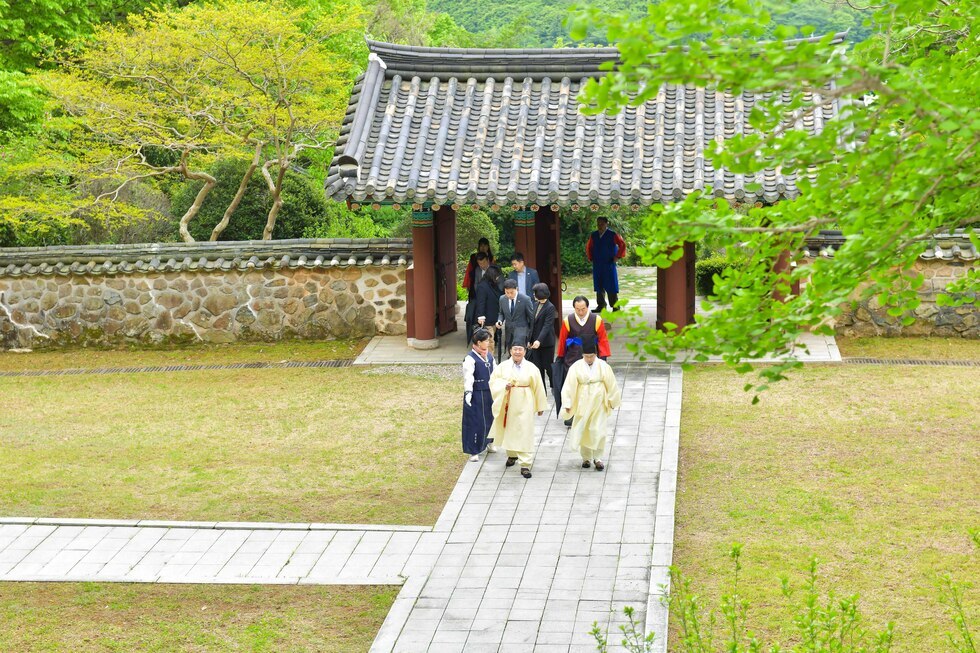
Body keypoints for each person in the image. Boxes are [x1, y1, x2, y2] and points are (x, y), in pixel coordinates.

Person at [487, 343, 548, 479]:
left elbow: (538, 386)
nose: (517, 352)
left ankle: (525, 463)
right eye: (515, 349)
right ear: (510, 351)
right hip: (509, 400)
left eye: (520, 349)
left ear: (525, 352)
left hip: (526, 400)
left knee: (525, 430)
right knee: (510, 428)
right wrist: (504, 385)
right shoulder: (502, 367)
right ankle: (512, 454)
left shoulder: (532, 368)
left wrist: (540, 405)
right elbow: (493, 382)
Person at [560, 339, 622, 471]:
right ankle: (586, 458)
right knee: (585, 429)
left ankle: (598, 457)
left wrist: (612, 400)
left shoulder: (603, 366)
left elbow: (611, 384)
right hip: (583, 401)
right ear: (582, 355)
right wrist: (568, 403)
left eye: (591, 356)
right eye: (586, 356)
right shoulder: (576, 366)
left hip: (599, 401)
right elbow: (569, 386)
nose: (589, 359)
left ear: (596, 355)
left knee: (598, 429)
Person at [554, 296, 612, 426]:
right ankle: (571, 414)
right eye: (578, 309)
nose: (581, 312)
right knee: (572, 386)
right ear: (574, 308)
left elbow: (602, 339)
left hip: (591, 354)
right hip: (573, 356)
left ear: (587, 307)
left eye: (583, 309)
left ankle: (592, 411)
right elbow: (563, 339)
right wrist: (560, 356)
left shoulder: (596, 320)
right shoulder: (568, 320)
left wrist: (603, 357)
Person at [461, 329, 497, 462]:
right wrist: (468, 393)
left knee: (490, 418)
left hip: (490, 393)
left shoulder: (490, 356)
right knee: (475, 421)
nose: (488, 342)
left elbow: (496, 373)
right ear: (479, 342)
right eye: (486, 340)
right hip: (477, 393)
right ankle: (473, 450)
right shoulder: (470, 358)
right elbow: (468, 377)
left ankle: (490, 442)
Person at [586, 217, 627, 312]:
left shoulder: (612, 234)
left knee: (611, 284)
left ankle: (615, 306)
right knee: (599, 284)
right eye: (598, 224)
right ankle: (601, 305)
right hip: (597, 263)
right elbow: (589, 247)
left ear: (606, 224)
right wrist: (590, 257)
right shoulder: (594, 235)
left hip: (609, 263)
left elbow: (622, 245)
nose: (599, 226)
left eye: (601, 224)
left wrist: (618, 256)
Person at [527, 282, 557, 390]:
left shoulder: (550, 307)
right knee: (538, 369)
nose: (533, 295)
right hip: (535, 343)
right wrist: (529, 340)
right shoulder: (535, 305)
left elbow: (547, 326)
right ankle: (541, 392)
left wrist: (539, 340)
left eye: (535, 293)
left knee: (548, 367)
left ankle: (555, 386)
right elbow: (532, 324)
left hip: (546, 343)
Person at [497, 278, 534, 353]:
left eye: (512, 292)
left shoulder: (525, 299)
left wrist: (531, 336)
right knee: (511, 353)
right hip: (509, 332)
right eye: (507, 292)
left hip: (522, 332)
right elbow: (501, 313)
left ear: (516, 289)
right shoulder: (502, 299)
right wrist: (499, 320)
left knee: (520, 354)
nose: (509, 295)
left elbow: (531, 318)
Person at [474, 265, 504, 357]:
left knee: (492, 339)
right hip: (486, 319)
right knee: (489, 341)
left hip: (494, 317)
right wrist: (481, 317)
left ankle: (489, 358)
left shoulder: (493, 285)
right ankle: (488, 360)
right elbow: (481, 303)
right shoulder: (482, 286)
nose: (498, 278)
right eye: (497, 276)